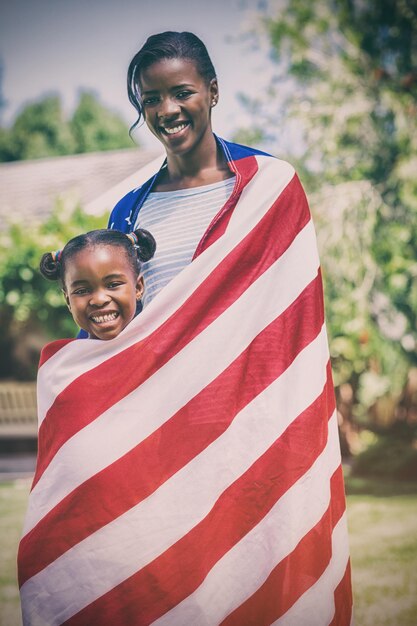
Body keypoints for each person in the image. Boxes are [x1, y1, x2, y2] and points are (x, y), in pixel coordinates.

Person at [18, 31, 352, 626]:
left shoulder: (270, 188)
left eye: (182, 92)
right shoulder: (130, 209)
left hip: (244, 415)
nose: (167, 110)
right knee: (170, 581)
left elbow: (290, 319)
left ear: (212, 92)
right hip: (160, 424)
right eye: (150, 99)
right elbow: (124, 324)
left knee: (247, 574)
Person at [39, 227, 156, 340]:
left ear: (138, 288)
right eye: (82, 291)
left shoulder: (164, 352)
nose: (99, 300)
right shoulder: (63, 358)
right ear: (68, 300)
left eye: (113, 285)